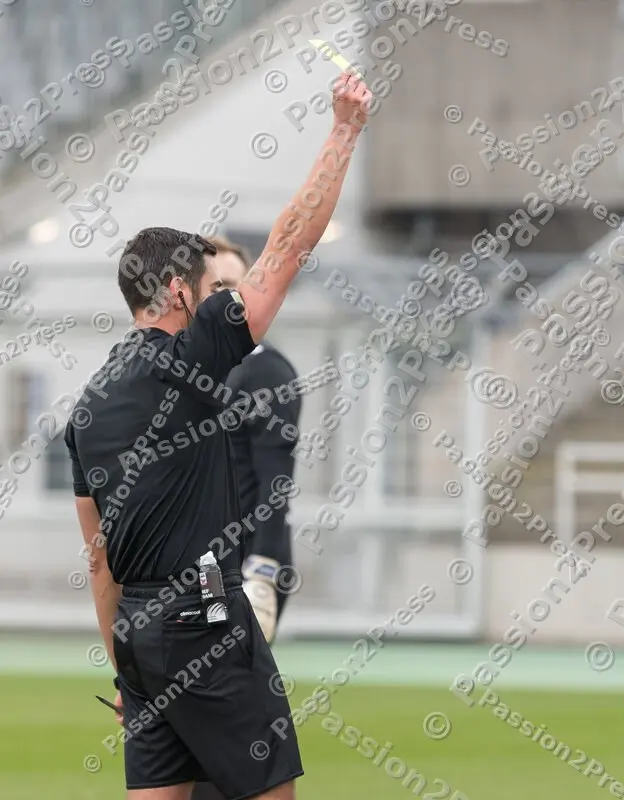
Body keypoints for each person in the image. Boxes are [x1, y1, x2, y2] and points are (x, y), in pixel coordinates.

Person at [67, 71, 371, 800]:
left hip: (138, 633)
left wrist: (123, 665)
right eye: (209, 289)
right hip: (202, 618)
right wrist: (343, 131)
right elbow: (290, 244)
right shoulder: (194, 356)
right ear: (178, 293)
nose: (218, 301)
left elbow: (100, 563)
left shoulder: (87, 407)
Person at [188, 238, 304, 800]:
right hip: (199, 564)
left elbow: (273, 482)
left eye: (236, 286)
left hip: (235, 567)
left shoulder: (266, 371)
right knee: (193, 707)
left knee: (226, 702)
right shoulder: (189, 368)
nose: (228, 298)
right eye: (216, 287)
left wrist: (261, 574)